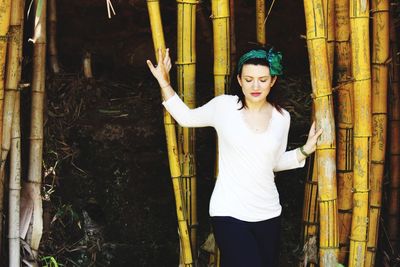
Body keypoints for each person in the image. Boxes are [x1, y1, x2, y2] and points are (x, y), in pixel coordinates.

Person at [146, 45, 322, 267]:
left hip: (268, 212)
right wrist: (164, 82)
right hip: (229, 211)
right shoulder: (225, 107)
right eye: (248, 79)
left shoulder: (282, 117)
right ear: (239, 80)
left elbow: (273, 163)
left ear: (273, 81)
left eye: (262, 79)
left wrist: (304, 150)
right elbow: (187, 118)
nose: (255, 86)